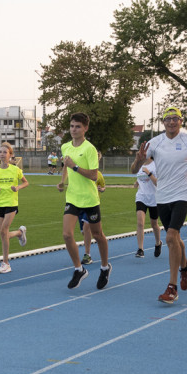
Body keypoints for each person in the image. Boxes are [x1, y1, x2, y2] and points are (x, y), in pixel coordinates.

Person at [132, 106, 187, 303]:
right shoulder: (155, 142)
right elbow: (134, 169)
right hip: (162, 196)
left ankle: (172, 287)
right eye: (168, 118)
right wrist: (138, 161)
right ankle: (186, 267)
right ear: (163, 122)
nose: (171, 122)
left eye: (175, 118)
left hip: (181, 195)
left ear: (181, 121)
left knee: (170, 237)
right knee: (175, 237)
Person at [59, 113, 111, 290]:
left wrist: (74, 166)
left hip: (89, 200)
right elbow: (66, 165)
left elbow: (93, 175)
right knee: (67, 234)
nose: (74, 129)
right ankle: (78, 269)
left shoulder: (89, 149)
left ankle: (105, 267)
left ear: (85, 128)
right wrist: (62, 180)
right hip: (72, 198)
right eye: (72, 126)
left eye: (78, 126)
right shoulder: (65, 146)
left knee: (98, 235)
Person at [0, 142, 28, 274]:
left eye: (5, 152)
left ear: (10, 155)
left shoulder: (15, 170)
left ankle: (6, 263)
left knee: (3, 230)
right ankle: (19, 233)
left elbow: (26, 182)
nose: (2, 154)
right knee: (3, 233)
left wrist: (18, 187)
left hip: (11, 203)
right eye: (0, 152)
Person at [133, 156, 161, 257]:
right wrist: (137, 182)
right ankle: (140, 249)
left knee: (154, 224)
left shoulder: (156, 165)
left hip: (154, 198)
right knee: (140, 223)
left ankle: (158, 243)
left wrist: (149, 173)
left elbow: (158, 183)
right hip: (141, 197)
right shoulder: (140, 165)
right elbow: (139, 177)